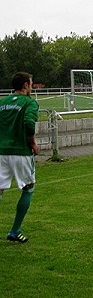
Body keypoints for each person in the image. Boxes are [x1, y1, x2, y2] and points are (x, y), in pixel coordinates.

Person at [0, 72, 39, 243]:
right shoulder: (29, 103)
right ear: (25, 85)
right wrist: (32, 143)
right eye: (31, 83)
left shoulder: (2, 102)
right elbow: (29, 123)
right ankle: (15, 230)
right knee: (28, 188)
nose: (32, 86)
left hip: (1, 152)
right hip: (21, 152)